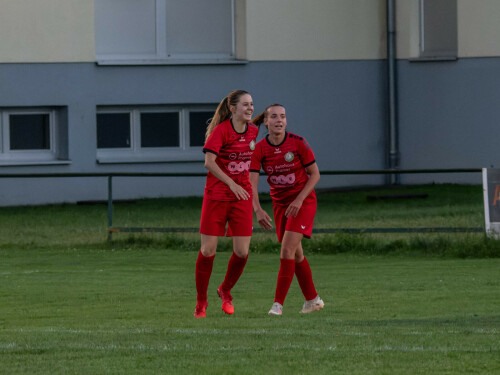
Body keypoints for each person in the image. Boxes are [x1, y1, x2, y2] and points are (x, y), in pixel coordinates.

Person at [249, 104, 324, 316]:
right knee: (296, 253)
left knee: (287, 250)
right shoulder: (260, 148)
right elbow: (251, 183)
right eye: (273, 117)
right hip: (280, 205)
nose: (279, 120)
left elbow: (315, 174)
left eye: (282, 116)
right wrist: (258, 210)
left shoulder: (298, 142)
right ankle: (313, 300)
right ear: (266, 121)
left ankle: (277, 305)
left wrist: (300, 200)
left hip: (303, 202)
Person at [194, 90, 259, 318]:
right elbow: (208, 163)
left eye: (252, 104)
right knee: (208, 250)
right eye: (245, 105)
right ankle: (201, 302)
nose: (250, 108)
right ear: (232, 108)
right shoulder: (221, 131)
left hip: (241, 197)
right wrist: (232, 183)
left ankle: (225, 290)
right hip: (216, 196)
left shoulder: (253, 131)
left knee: (242, 252)